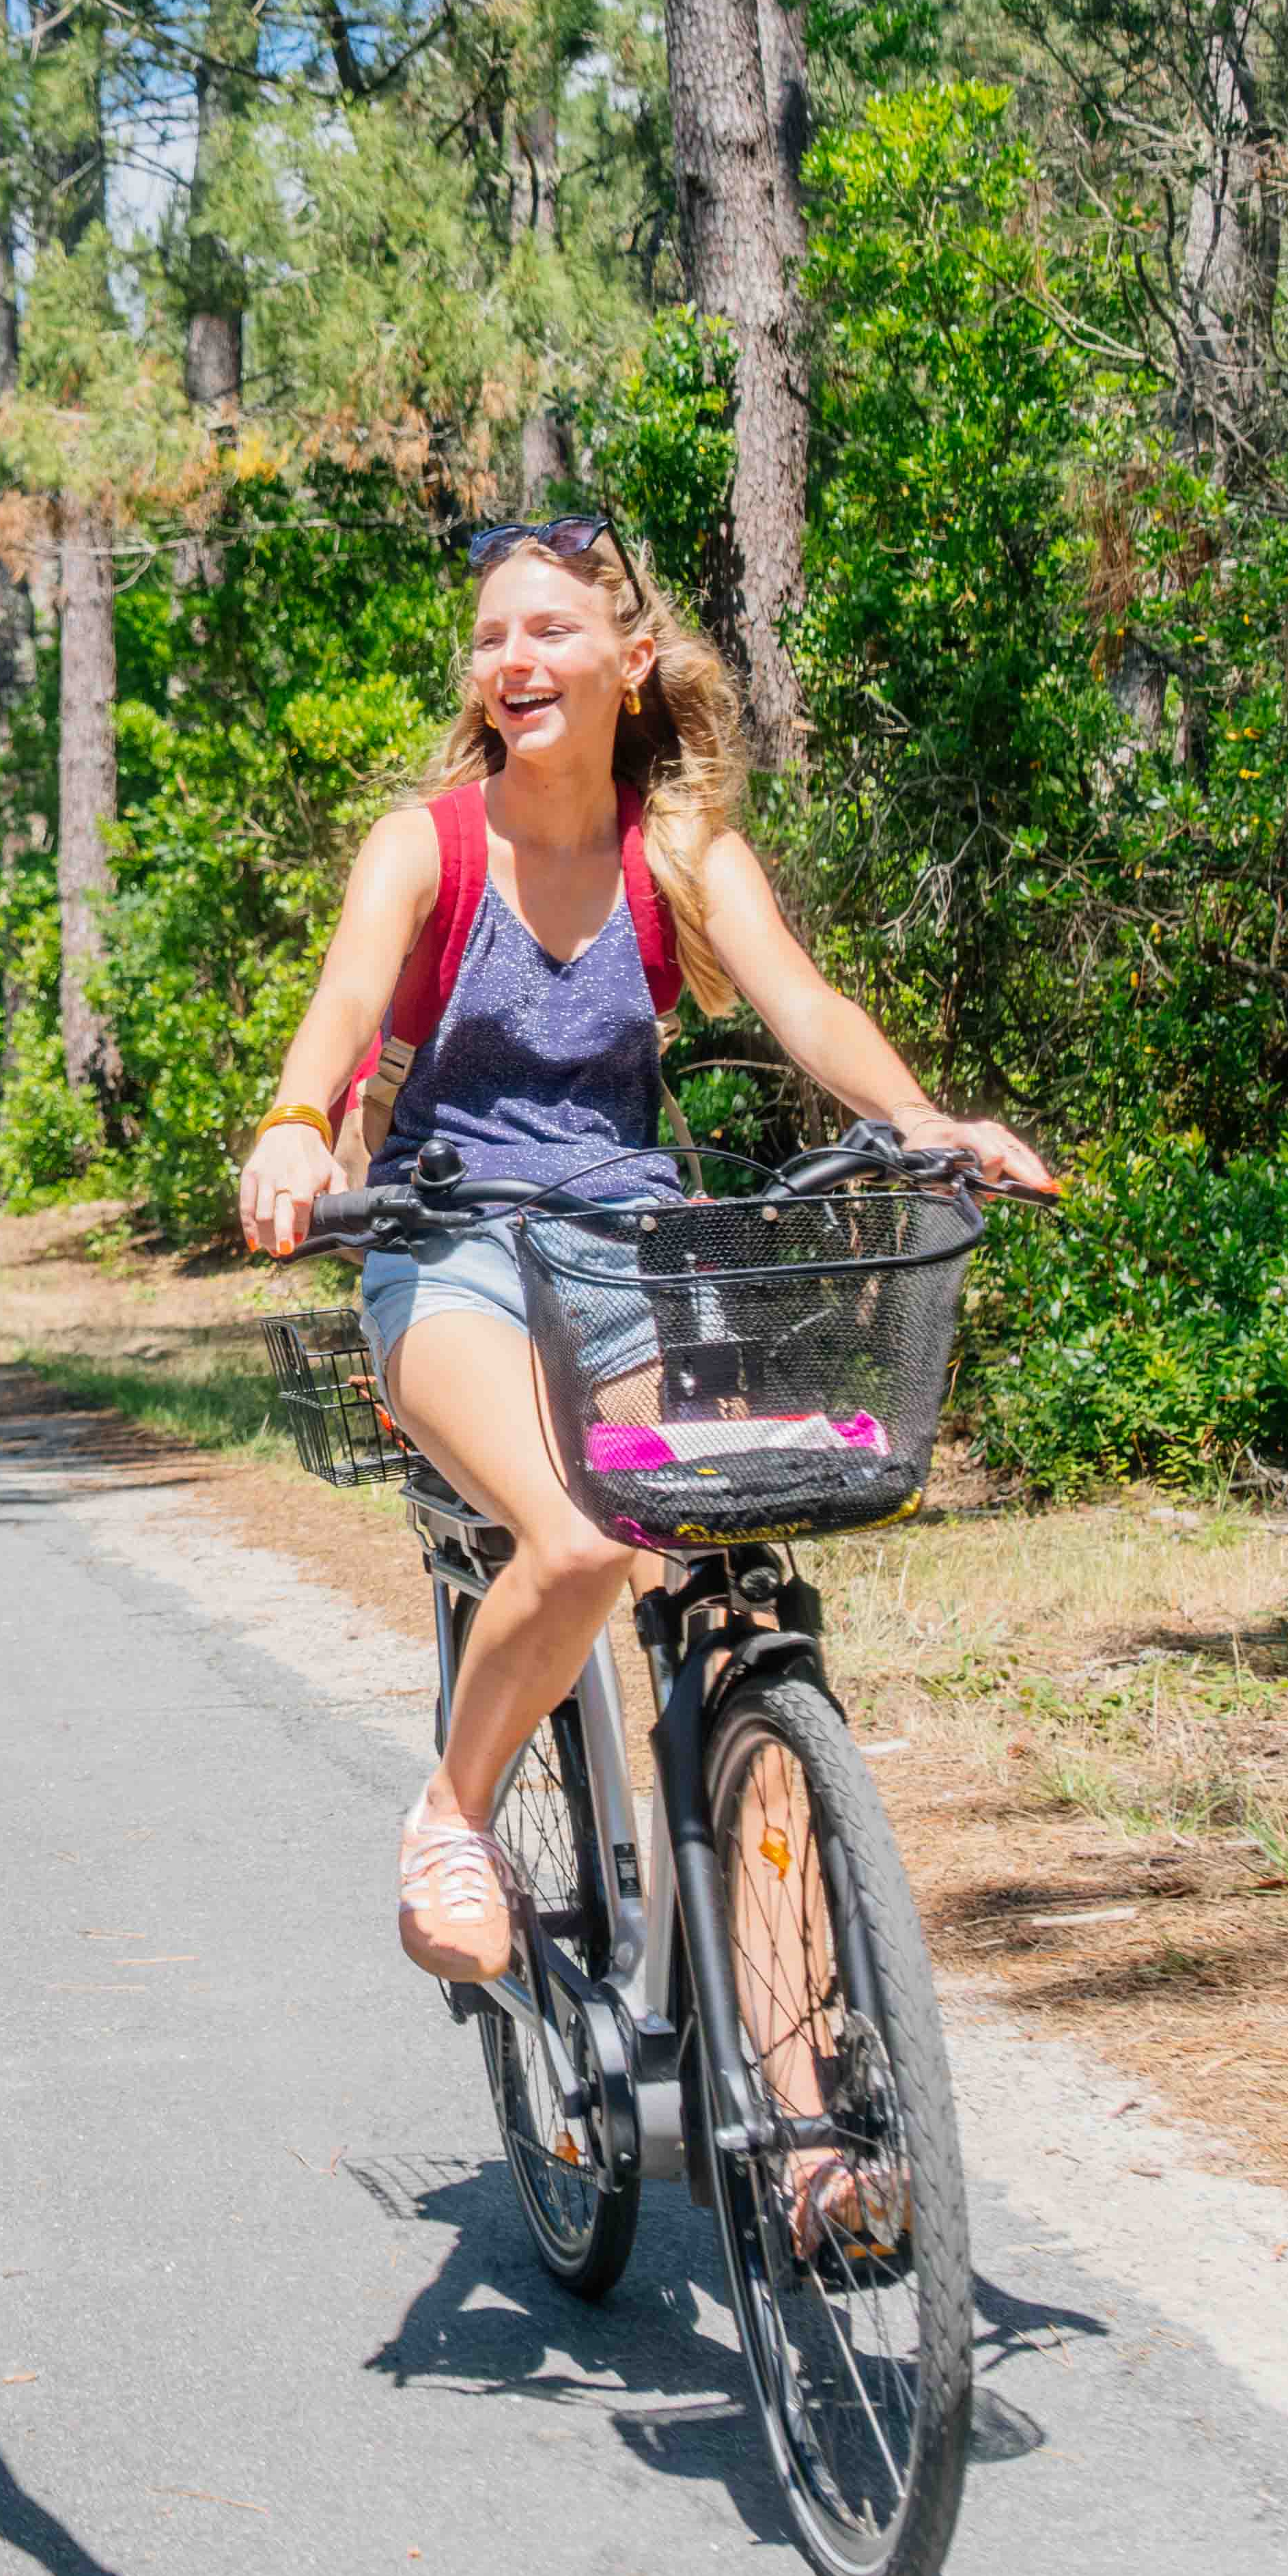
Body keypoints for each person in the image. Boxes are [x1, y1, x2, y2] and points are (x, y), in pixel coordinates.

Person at [240, 508, 1055, 1996]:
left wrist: (929, 1121)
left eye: (546, 629)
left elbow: (802, 1007)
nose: (510, 659)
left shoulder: (673, 846)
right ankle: (452, 1812)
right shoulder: (427, 844)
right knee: (575, 1537)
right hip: (446, 1241)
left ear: (629, 658)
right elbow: (347, 999)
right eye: (489, 636)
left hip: (626, 1246)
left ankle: (806, 2110)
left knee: (725, 1600)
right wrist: (298, 1121)